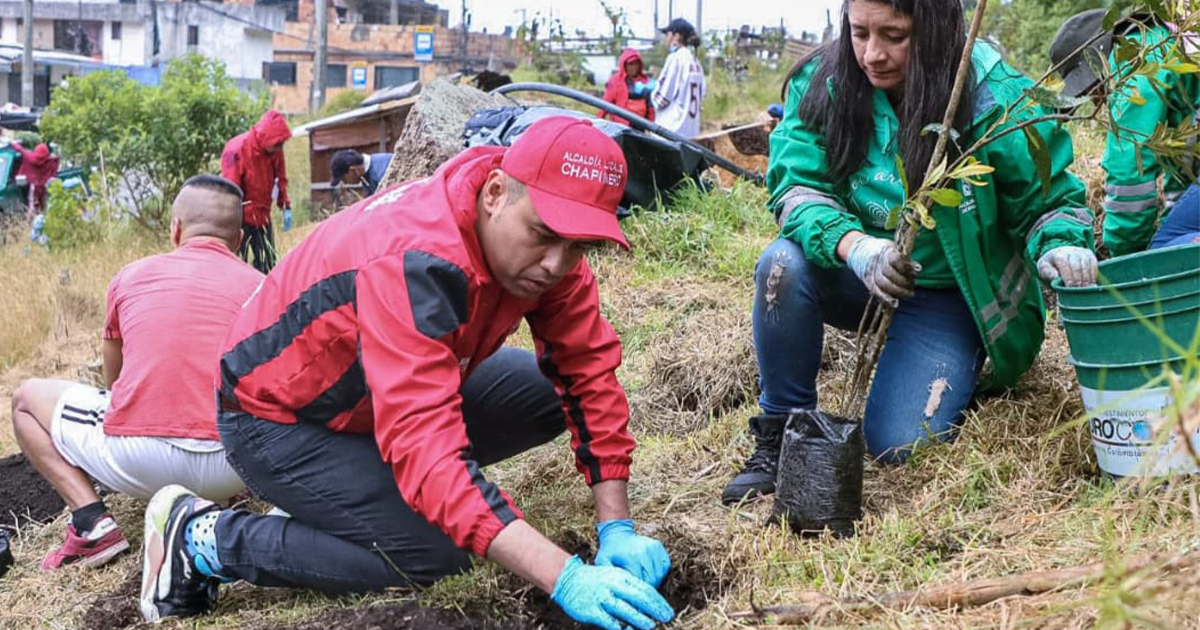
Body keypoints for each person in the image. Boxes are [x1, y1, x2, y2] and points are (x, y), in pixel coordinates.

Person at [139, 117, 676, 630]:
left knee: (543, 394)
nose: (556, 265)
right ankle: (200, 538)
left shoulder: (547, 251)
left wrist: (616, 526)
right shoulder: (416, 258)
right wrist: (565, 576)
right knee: (438, 556)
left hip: (372, 395)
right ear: (495, 194)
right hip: (276, 417)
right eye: (543, 235)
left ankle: (349, 493)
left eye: (578, 246)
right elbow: (426, 451)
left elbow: (588, 373)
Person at [721, 0, 1099, 504]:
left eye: (894, 36)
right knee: (781, 267)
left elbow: (1048, 199)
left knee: (899, 446)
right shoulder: (824, 82)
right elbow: (796, 188)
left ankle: (943, 359)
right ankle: (779, 435)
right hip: (859, 272)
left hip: (945, 295)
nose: (872, 54)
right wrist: (855, 247)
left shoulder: (992, 95)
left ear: (935, 30)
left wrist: (1062, 244)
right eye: (859, 33)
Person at [10, 175, 263, 570]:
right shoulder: (264, 287)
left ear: (175, 228)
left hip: (137, 462)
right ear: (239, 238)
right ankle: (220, 497)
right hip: (233, 467)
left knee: (25, 398)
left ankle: (92, 524)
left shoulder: (131, 276)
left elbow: (115, 385)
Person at [1050, 9, 1200, 257]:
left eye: (1091, 88)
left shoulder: (1132, 62)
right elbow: (1185, 176)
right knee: (1173, 235)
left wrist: (1123, 255)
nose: (1097, 97)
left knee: (1164, 256)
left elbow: (1130, 174)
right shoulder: (1161, 36)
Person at [221, 110, 292, 273]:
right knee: (238, 265)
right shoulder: (236, 149)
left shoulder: (275, 148)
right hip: (240, 218)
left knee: (269, 263)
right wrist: (232, 221)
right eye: (277, 145)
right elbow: (231, 191)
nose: (279, 148)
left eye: (281, 144)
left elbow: (280, 178)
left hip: (263, 216)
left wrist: (285, 205)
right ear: (266, 139)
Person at [651, 18, 706, 139]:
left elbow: (662, 98)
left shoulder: (676, 58)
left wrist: (650, 93)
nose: (666, 38)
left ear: (676, 36)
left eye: (667, 34)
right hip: (691, 130)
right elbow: (702, 95)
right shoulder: (696, 61)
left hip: (672, 130)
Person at [600, 48, 656, 125]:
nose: (634, 67)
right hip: (621, 125)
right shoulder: (615, 81)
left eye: (636, 63)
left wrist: (652, 125)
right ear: (624, 65)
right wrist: (598, 122)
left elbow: (650, 105)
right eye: (630, 64)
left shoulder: (646, 81)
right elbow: (606, 103)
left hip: (640, 125)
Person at [13, 141, 59, 219]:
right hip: (44, 187)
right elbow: (55, 162)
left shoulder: (30, 158)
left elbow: (21, 150)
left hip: (34, 187)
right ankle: (47, 221)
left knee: (32, 207)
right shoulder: (51, 161)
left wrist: (12, 143)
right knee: (44, 206)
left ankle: (30, 224)